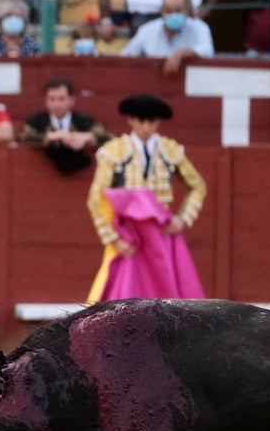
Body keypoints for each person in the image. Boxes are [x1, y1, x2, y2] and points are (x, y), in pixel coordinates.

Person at [86, 93, 207, 302]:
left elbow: (198, 186)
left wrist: (183, 218)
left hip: (162, 232)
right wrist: (114, 238)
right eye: (141, 120)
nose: (146, 127)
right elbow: (95, 197)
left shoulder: (171, 150)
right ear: (131, 120)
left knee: (168, 292)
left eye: (152, 121)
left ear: (158, 121)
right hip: (129, 234)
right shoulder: (113, 151)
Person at [20, 77, 111, 174]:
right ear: (46, 101)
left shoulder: (84, 120)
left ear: (71, 100)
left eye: (61, 99)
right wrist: (51, 136)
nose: (57, 104)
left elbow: (109, 137)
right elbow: (23, 136)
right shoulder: (36, 121)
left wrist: (89, 136)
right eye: (52, 99)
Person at [120, 0, 214, 74]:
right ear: (161, 12)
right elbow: (127, 54)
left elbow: (206, 50)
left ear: (187, 12)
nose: (174, 15)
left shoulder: (200, 28)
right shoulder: (147, 30)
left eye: (178, 11)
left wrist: (180, 55)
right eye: (169, 11)